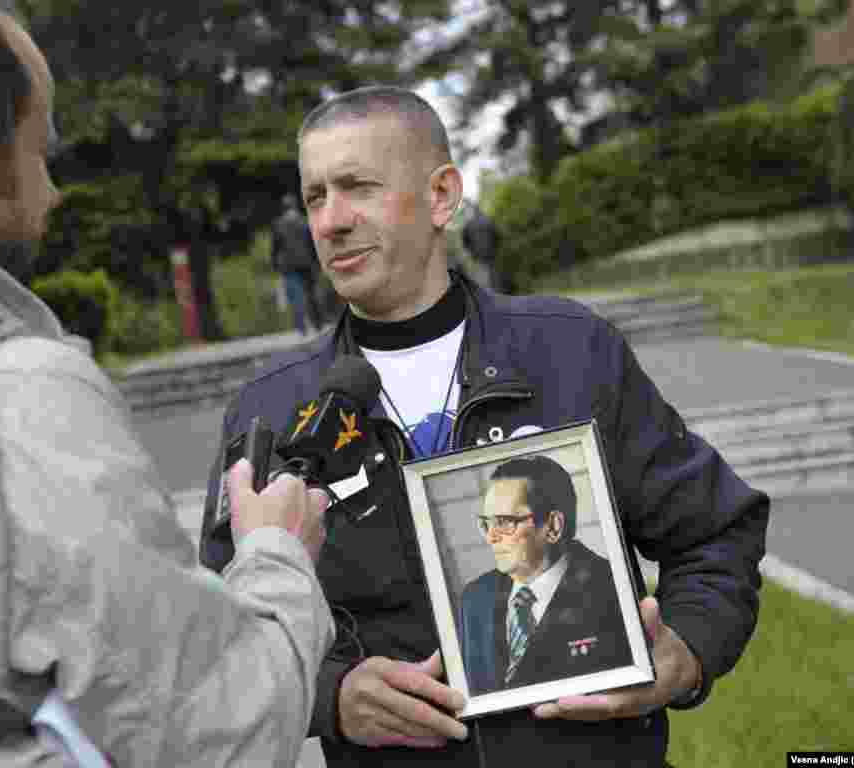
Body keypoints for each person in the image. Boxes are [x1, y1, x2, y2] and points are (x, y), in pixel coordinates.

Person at [202, 85, 769, 767]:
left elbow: (716, 533)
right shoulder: (271, 407)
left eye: (357, 187)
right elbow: (218, 628)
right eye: (316, 196)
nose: (330, 221)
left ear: (442, 197)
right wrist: (331, 696)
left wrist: (687, 654)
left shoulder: (571, 349)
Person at [0, 2, 334, 766]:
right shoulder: (6, 391)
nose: (53, 195)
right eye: (39, 154)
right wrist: (277, 551)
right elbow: (222, 733)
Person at [459, 456, 632, 696]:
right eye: (487, 524)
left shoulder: (614, 591)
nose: (490, 537)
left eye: (504, 522)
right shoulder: (474, 598)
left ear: (553, 527)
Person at [271, 193, 323, 335]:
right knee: (311, 293)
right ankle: (318, 323)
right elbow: (312, 244)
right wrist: (317, 262)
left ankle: (301, 328)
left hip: (288, 266)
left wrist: (275, 264)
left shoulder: (278, 225)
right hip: (307, 263)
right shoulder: (304, 221)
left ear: (283, 208)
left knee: (296, 296)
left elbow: (275, 248)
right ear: (295, 206)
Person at [460, 199, 506, 293]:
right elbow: (498, 236)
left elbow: (465, 240)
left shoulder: (469, 224)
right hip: (490, 253)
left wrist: (471, 252)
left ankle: (484, 294)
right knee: (492, 275)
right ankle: (496, 293)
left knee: (480, 276)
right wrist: (494, 248)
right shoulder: (488, 221)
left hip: (477, 255)